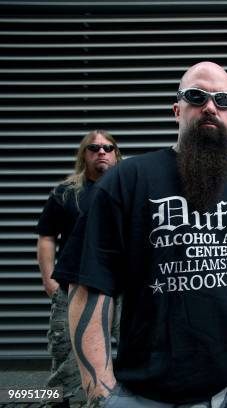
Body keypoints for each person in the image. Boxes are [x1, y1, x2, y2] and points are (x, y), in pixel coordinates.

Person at [65, 61, 227, 407]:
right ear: (177, 109)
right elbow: (88, 284)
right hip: (148, 393)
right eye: (196, 96)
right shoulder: (128, 180)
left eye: (223, 100)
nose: (210, 107)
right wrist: (101, 392)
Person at [36, 130, 121, 407]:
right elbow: (47, 236)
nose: (102, 152)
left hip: (120, 287)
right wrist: (48, 279)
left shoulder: (128, 189)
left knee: (128, 352)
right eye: (94, 147)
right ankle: (54, 402)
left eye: (108, 147)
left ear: (116, 154)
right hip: (73, 285)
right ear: (83, 154)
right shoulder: (65, 193)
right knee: (65, 355)